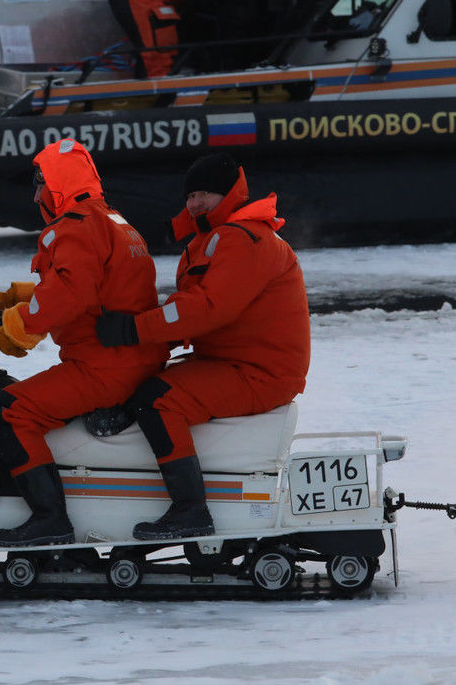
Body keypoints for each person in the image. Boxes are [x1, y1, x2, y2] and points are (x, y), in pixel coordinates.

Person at [95, 153, 310, 540]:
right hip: (231, 360)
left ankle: (190, 511)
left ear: (229, 194)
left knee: (157, 400)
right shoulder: (214, 239)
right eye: (190, 195)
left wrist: (133, 330)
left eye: (205, 193)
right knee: (143, 385)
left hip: (259, 372)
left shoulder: (244, 239)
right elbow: (193, 313)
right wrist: (141, 342)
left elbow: (209, 309)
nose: (194, 204)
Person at [0, 139, 169, 547]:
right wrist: (20, 296)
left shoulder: (75, 228)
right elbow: (90, 288)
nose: (35, 196)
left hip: (104, 367)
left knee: (9, 410)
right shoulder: (113, 220)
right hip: (134, 359)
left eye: (40, 185)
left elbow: (69, 294)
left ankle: (50, 519)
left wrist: (12, 329)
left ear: (58, 186)